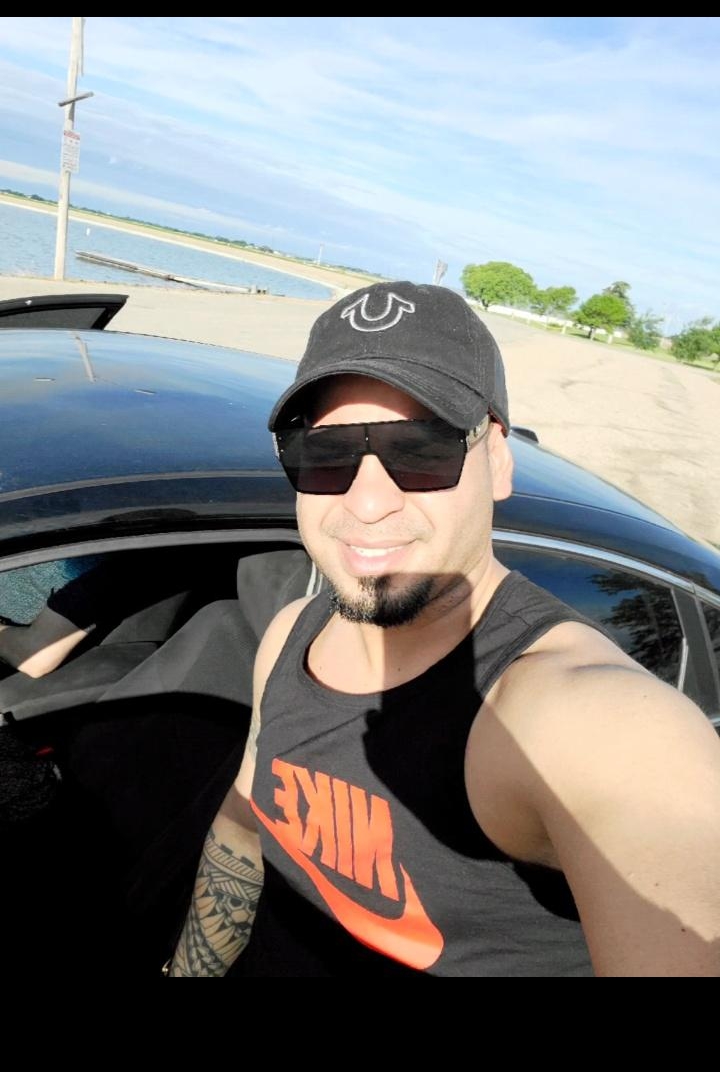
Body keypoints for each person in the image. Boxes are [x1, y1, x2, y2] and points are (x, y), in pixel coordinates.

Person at [169, 280, 720, 977]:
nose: (368, 502)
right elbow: (241, 835)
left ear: (498, 459)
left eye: (420, 449)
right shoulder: (289, 637)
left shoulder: (594, 726)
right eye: (326, 453)